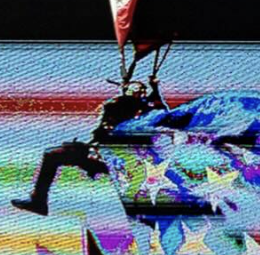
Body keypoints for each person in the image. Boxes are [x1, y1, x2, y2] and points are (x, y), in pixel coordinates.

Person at [13, 81, 161, 214]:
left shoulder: (140, 112)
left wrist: (155, 91)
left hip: (127, 160)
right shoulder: (121, 107)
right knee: (52, 154)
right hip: (103, 153)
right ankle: (38, 201)